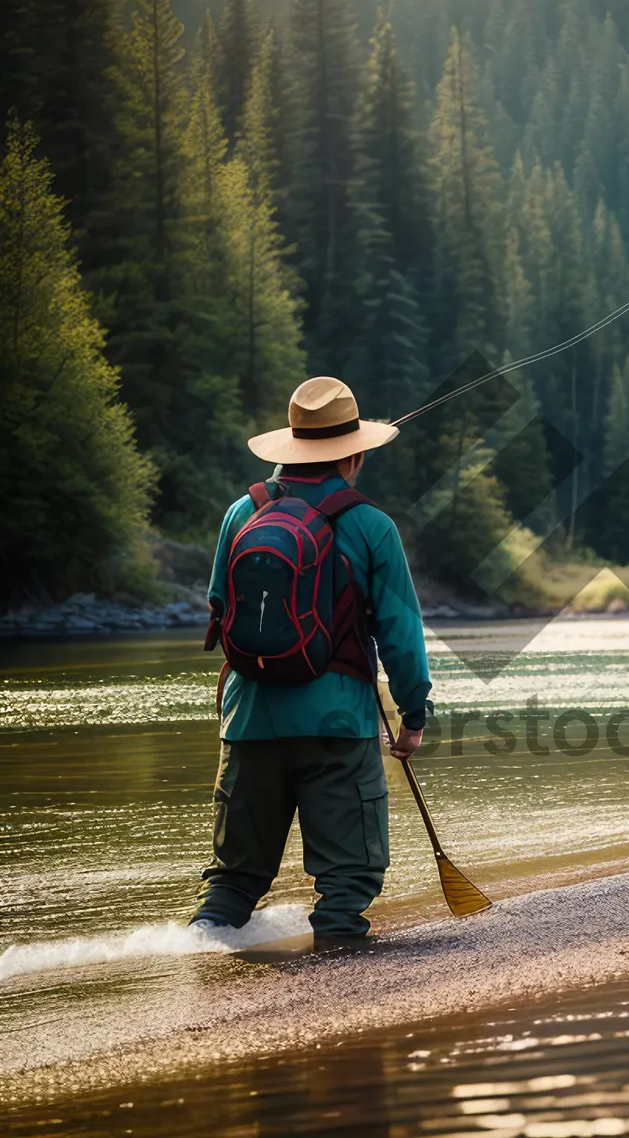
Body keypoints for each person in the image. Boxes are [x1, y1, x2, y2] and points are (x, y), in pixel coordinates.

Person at [190, 376, 430, 949]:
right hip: (336, 724)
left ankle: (188, 972)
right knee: (346, 882)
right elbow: (400, 633)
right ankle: (340, 1000)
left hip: (247, 720)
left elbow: (220, 607)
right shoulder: (372, 525)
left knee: (231, 883)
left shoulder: (238, 515)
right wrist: (413, 715)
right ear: (356, 453)